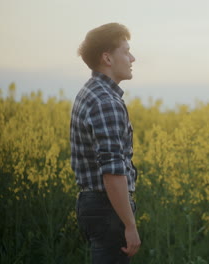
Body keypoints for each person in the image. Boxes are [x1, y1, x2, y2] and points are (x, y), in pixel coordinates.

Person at [70, 22, 140, 263]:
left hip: (95, 205)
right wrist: (129, 224)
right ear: (107, 58)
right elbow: (112, 170)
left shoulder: (89, 92)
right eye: (126, 51)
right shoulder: (105, 102)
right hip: (107, 208)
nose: (132, 58)